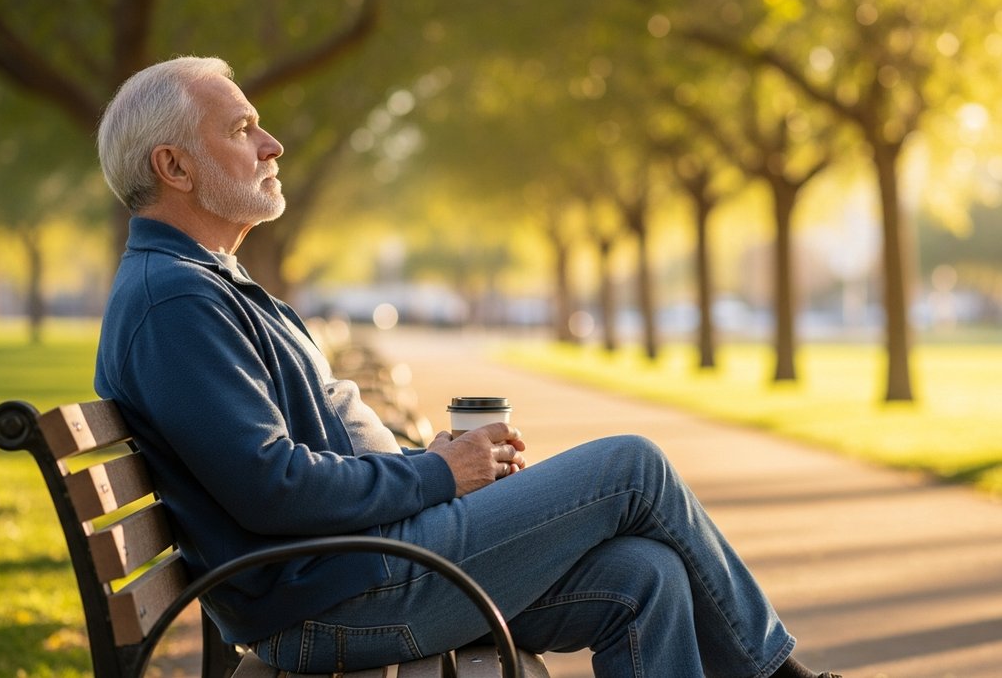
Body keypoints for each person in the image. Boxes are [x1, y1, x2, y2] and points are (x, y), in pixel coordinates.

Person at [92, 55, 840, 678]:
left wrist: (435, 463)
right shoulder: (176, 303)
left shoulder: (207, 281)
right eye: (243, 128)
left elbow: (295, 466)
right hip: (338, 596)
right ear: (175, 167)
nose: (273, 144)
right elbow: (273, 486)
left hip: (366, 564)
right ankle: (780, 676)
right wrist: (442, 475)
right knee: (632, 468)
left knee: (646, 574)